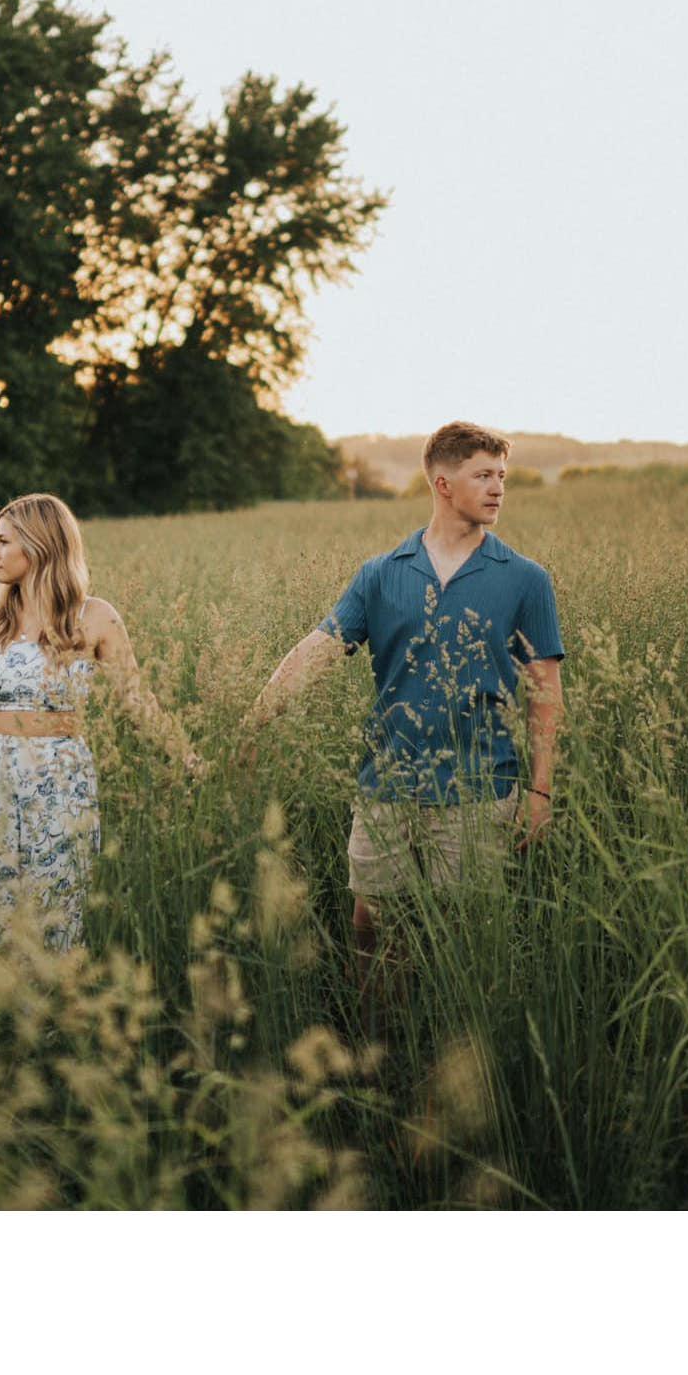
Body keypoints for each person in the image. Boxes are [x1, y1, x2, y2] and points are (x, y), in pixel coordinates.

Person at [246, 420, 564, 989]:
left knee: (464, 938)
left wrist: (540, 791)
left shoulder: (525, 579)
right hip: (386, 787)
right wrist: (254, 721)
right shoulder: (381, 574)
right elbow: (315, 652)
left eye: (502, 475)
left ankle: (456, 1039)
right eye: (483, 475)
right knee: (371, 930)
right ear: (443, 484)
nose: (498, 488)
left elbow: (545, 694)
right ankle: (378, 1036)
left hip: (479, 789)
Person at [0, 492, 199, 952]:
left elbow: (138, 701)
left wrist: (189, 759)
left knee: (55, 914)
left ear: (38, 545)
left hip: (62, 784)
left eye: (3, 541)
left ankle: (53, 996)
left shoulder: (95, 617)